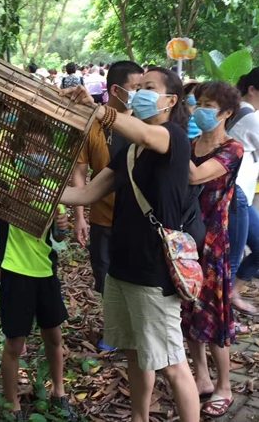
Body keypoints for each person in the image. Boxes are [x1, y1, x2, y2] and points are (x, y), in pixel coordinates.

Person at [60, 68, 200, 422]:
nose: (139, 92)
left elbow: (142, 131)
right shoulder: (131, 151)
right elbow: (87, 192)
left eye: (148, 88)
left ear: (170, 101)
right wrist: (36, 191)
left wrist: (98, 109)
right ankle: (139, 417)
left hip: (153, 272)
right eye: (137, 87)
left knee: (172, 365)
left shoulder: (173, 139)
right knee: (135, 352)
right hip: (121, 270)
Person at [0, 128, 77, 422]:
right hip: (16, 270)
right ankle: (12, 406)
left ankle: (59, 392)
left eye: (41, 148)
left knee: (53, 335)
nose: (34, 155)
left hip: (45, 270)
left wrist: (62, 224)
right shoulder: (4, 177)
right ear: (16, 153)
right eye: (28, 147)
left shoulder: (52, 187)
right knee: (15, 343)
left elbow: (60, 238)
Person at [181, 81, 243, 418]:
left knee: (215, 316)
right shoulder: (189, 143)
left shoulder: (233, 149)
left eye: (209, 105)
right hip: (186, 240)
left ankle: (225, 386)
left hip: (213, 242)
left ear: (227, 112)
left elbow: (196, 177)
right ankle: (202, 377)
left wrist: (173, 142)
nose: (201, 109)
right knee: (190, 310)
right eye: (199, 102)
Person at [73, 60, 143, 295]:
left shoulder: (145, 125)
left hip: (139, 219)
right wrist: (80, 217)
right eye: (136, 88)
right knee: (105, 280)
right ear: (116, 90)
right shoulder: (92, 125)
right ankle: (112, 330)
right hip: (103, 217)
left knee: (136, 281)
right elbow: (80, 172)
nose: (140, 94)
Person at [228, 68, 259, 316]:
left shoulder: (243, 111)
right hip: (235, 194)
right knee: (232, 258)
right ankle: (219, 314)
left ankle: (231, 294)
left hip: (241, 195)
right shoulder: (249, 116)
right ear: (252, 89)